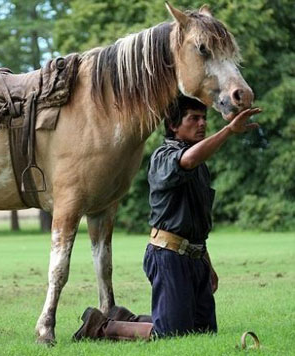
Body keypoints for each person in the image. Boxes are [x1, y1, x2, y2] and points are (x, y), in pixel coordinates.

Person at [72, 96, 261, 341]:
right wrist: (228, 130)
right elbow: (188, 160)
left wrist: (207, 263)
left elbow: (195, 223)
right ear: (173, 125)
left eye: (204, 118)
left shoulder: (200, 166)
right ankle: (100, 326)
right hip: (168, 255)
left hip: (195, 256)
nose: (202, 124)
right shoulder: (164, 156)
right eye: (194, 118)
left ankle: (125, 318)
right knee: (171, 334)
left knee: (203, 331)